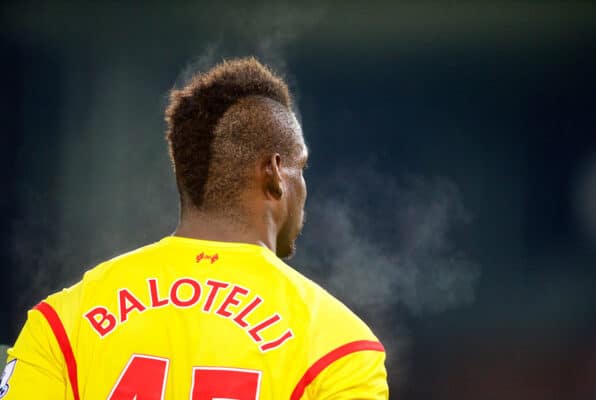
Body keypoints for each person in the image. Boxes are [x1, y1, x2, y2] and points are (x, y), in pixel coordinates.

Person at [2, 57, 388, 399]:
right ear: (274, 174)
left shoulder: (62, 322)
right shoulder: (339, 347)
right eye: (300, 168)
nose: (304, 186)